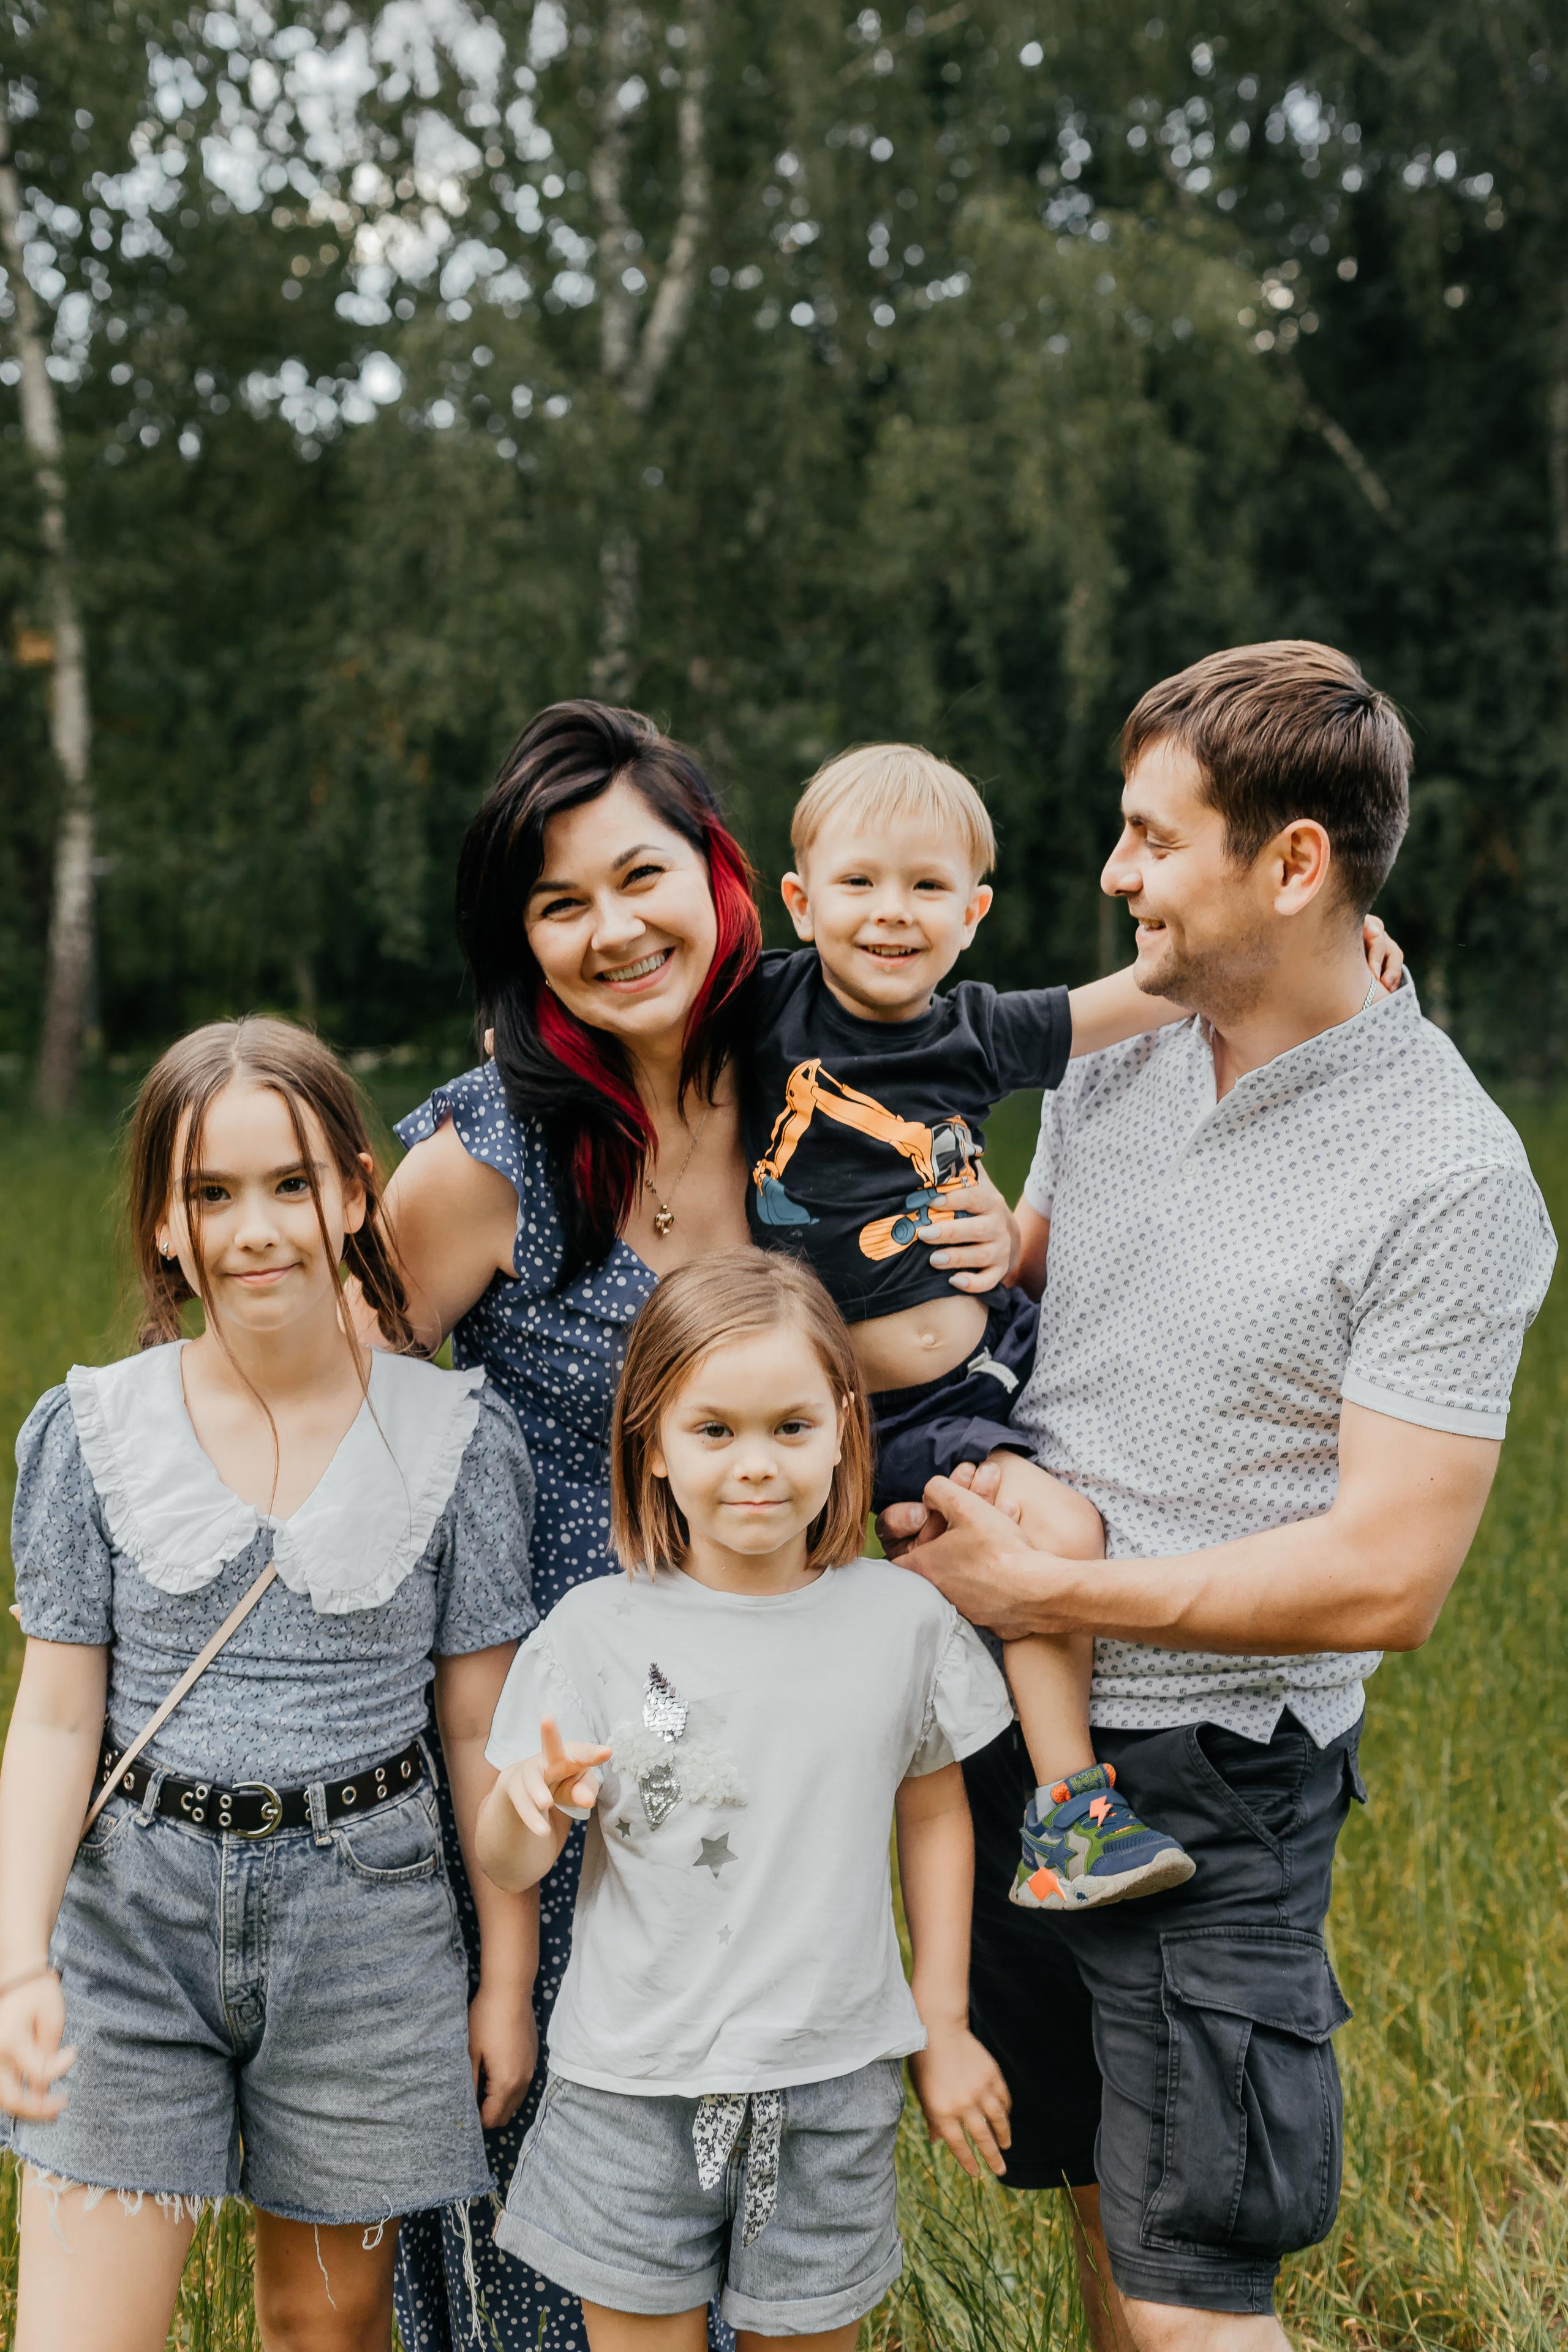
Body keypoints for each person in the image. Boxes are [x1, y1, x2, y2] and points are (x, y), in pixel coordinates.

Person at [878, 643, 1558, 2351]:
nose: (1113, 877)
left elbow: (1387, 1581)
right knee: (1112, 2212)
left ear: (1299, 864)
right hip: (1020, 1743)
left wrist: (1063, 1599)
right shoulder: (1127, 1048)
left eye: (1151, 841)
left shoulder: (1449, 1175)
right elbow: (1054, 1301)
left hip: (1211, 1784)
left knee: (1198, 2297)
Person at [380, 701, 1020, 2352]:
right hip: (561, 1758)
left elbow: (1046, 1039)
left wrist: (1318, 986)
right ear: (520, 945)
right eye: (558, 904)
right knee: (572, 2255)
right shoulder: (485, 1158)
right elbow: (327, 1415)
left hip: (776, 1767)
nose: (615, 931)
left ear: (725, 872)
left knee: (781, 2219)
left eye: (641, 875)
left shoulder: (835, 1088)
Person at [744, 741, 1403, 1919]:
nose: (892, 914)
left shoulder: (980, 1034)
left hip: (973, 1392)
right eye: (858, 885)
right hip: (843, 1408)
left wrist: (1342, 942)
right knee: (978, 1566)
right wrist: (522, 1041)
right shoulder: (762, 1009)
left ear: (975, 913)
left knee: (1055, 1533)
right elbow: (630, 1016)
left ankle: (1064, 1816)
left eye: (928, 889)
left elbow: (1158, 985)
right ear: (798, 902)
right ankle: (998, 1820)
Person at [0, 1018, 537, 2352]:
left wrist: (505, 1980)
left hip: (366, 1935)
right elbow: (59, 1716)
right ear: (167, 1226)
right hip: (128, 1928)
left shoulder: (455, 1441)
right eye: (211, 1194)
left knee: (320, 2331)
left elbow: (481, 1731)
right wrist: (19, 1962)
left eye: (291, 1185)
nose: (257, 1229)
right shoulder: (92, 1432)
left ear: (357, 1191)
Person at [475, 1251, 1015, 2351]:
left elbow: (935, 1814)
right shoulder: (594, 1632)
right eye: (714, 1431)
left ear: (844, 1430)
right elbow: (510, 1862)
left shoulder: (900, 1625)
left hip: (830, 2085)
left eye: (792, 1428)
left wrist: (945, 2023)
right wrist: (529, 1807)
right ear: (655, 1446)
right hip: (632, 2085)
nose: (756, 1465)